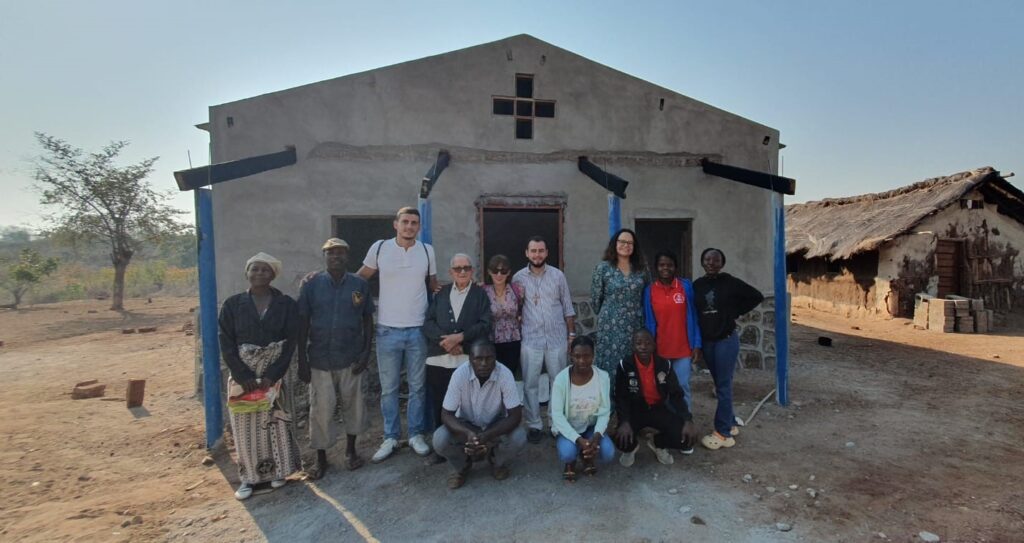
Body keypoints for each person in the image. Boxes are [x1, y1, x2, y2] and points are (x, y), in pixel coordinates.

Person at [218, 252, 302, 500]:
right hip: (243, 374)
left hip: (273, 374)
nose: (259, 274)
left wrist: (274, 373)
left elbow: (290, 342)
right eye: (255, 269)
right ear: (247, 273)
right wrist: (241, 373)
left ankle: (279, 472)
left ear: (273, 275)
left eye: (265, 270)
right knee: (244, 427)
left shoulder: (286, 304)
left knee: (274, 423)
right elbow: (226, 342)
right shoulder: (232, 305)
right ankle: (249, 478)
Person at [358, 207, 439, 462]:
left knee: (417, 387)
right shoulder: (381, 248)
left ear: (419, 227)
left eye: (414, 223)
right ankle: (390, 437)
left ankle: (415, 434)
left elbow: (434, 284)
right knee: (389, 388)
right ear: (396, 224)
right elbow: (360, 278)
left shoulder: (427, 251)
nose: (409, 227)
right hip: (387, 329)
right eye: (405, 222)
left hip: (417, 329)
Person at [296, 238, 374, 479]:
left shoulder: (359, 284)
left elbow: (367, 320)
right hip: (319, 358)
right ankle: (322, 459)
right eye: (331, 254)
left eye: (340, 253)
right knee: (321, 410)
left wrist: (365, 353)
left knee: (355, 406)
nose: (336, 257)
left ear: (347, 257)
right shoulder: (311, 285)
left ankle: (351, 451)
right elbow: (302, 323)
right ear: (325, 257)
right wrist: (302, 360)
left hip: (351, 357)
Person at [692, 248, 764, 451]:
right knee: (719, 384)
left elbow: (756, 296)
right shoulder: (698, 285)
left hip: (725, 340)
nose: (711, 263)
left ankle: (722, 433)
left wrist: (735, 312)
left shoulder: (730, 282)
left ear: (722, 263)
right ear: (702, 261)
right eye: (707, 259)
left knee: (723, 387)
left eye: (715, 260)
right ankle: (730, 422)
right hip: (708, 342)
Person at [432, 340, 526, 489]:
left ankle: (496, 460)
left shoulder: (505, 374)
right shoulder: (460, 374)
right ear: (470, 360)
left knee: (519, 436)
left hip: (494, 425)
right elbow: (446, 414)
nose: (484, 363)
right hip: (466, 425)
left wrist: (487, 435)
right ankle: (462, 465)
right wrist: (468, 433)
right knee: (439, 438)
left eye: (489, 358)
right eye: (478, 359)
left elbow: (515, 415)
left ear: (496, 358)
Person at [422, 254, 493, 452]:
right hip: (439, 359)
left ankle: (467, 445)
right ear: (451, 272)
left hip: (465, 359)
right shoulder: (441, 294)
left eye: (466, 268)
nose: (462, 272)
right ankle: (441, 447)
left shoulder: (480, 295)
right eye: (458, 268)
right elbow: (428, 323)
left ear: (472, 271)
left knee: (466, 407)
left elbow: (486, 324)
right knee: (439, 405)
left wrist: (461, 338)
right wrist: (446, 342)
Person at [512, 236, 576, 444]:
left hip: (557, 338)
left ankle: (556, 423)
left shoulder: (558, 276)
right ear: (526, 253)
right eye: (533, 251)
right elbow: (515, 308)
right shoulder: (518, 278)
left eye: (541, 251)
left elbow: (567, 307)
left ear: (546, 253)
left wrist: (571, 335)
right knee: (530, 383)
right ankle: (534, 425)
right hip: (531, 339)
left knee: (557, 383)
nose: (537, 255)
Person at [614, 329, 698, 467]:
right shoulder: (625, 365)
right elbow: (620, 397)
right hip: (635, 411)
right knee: (621, 439)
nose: (643, 347)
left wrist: (688, 419)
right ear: (633, 346)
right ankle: (632, 448)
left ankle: (658, 443)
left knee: (686, 438)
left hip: (658, 409)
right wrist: (624, 421)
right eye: (638, 343)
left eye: (647, 343)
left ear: (654, 345)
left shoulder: (664, 365)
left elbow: (676, 394)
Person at [642, 251, 703, 414]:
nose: (665, 268)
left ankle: (685, 422)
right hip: (660, 350)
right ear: (656, 268)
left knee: (682, 386)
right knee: (662, 388)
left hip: (683, 349)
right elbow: (648, 321)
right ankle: (668, 425)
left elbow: (694, 316)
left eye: (669, 265)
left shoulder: (685, 286)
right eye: (662, 265)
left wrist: (697, 344)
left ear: (675, 267)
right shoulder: (649, 291)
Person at [550, 336, 614, 482]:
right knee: (567, 453)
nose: (582, 361)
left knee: (608, 453)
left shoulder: (603, 377)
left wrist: (596, 438)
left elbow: (604, 411)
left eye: (587, 356)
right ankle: (571, 461)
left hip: (591, 428)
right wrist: (578, 439)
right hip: (569, 429)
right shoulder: (561, 380)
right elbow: (557, 416)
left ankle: (586, 456)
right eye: (577, 356)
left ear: (593, 355)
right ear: (571, 356)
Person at [590, 228, 648, 375]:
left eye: (630, 243)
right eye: (622, 241)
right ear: (614, 244)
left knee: (633, 367)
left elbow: (647, 296)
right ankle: (609, 398)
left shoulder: (642, 269)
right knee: (609, 367)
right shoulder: (602, 268)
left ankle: (631, 398)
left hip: (635, 325)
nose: (626, 245)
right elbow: (596, 301)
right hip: (610, 326)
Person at [483, 254, 524, 381]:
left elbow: (523, 310)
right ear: (489, 272)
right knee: (491, 378)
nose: (499, 275)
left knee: (508, 377)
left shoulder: (517, 290)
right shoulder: (482, 291)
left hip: (513, 340)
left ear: (509, 273)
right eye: (495, 271)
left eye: (503, 271)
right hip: (491, 340)